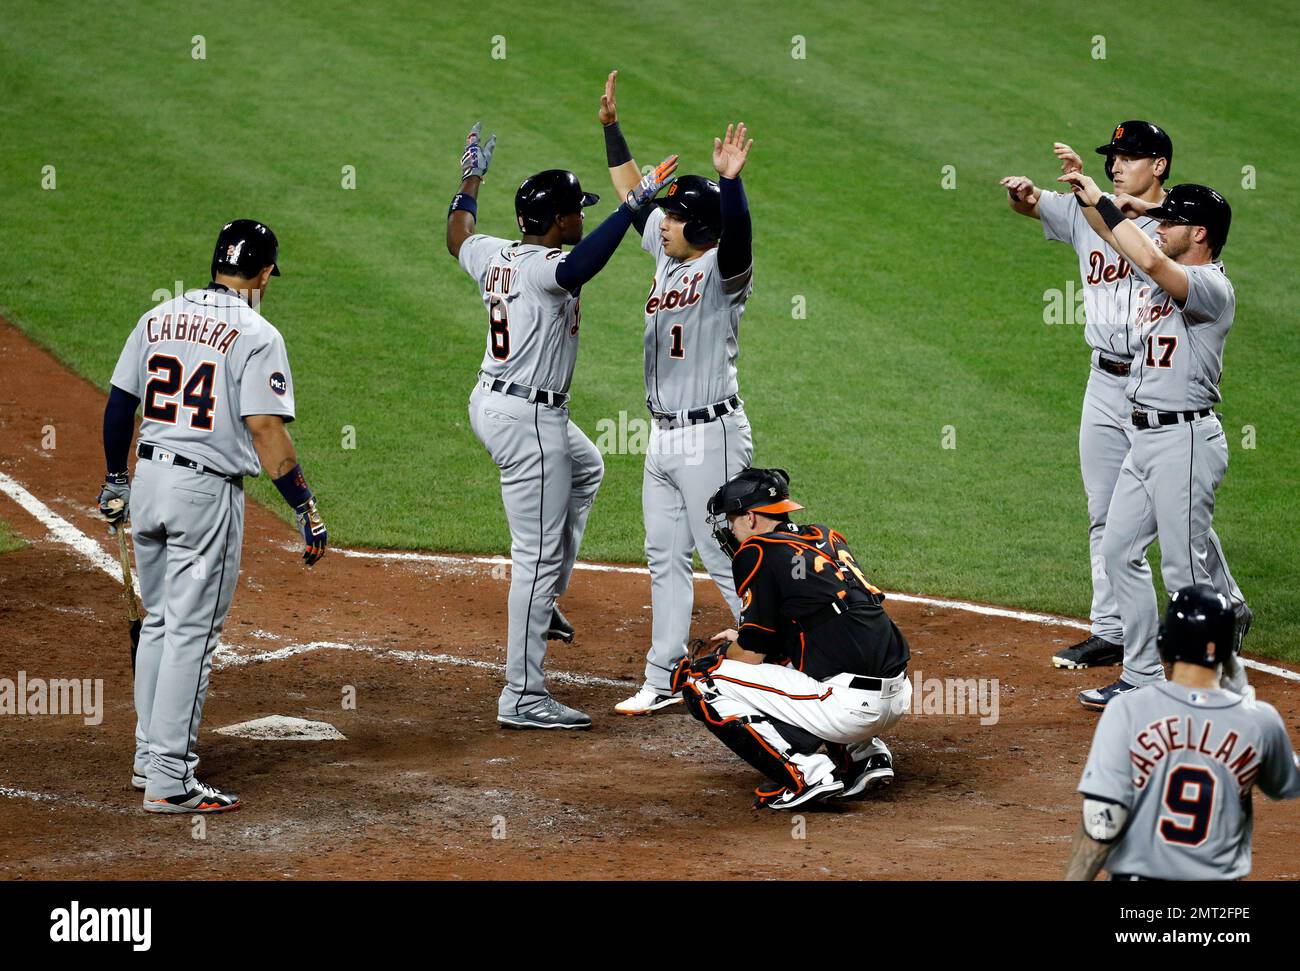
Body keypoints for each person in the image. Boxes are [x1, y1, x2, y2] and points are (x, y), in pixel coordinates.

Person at [446, 121, 677, 729]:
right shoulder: (549, 267)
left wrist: (471, 176)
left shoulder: (495, 252)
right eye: (576, 210)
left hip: (492, 402)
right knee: (535, 556)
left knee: (588, 467)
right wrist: (631, 210)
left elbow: (457, 235)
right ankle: (522, 693)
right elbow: (579, 267)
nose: (580, 216)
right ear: (558, 222)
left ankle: (543, 603)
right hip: (528, 419)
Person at [1000, 122, 1249, 673]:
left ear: (1159, 164)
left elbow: (1150, 257)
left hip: (1176, 411)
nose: (1117, 164)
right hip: (1121, 390)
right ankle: (1121, 644)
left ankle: (1219, 633)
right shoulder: (1145, 224)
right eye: (1112, 157)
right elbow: (1121, 231)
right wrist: (1080, 200)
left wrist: (1110, 208)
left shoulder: (1188, 262)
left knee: (1183, 534)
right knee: (1112, 525)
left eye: (1129, 156)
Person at [96, 219, 327, 813]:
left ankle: (150, 756)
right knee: (192, 635)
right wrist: (304, 506)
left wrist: (115, 477)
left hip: (148, 481)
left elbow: (122, 401)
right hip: (203, 495)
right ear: (265, 272)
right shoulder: (256, 332)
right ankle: (171, 779)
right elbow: (265, 429)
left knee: (160, 622)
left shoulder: (159, 316)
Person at [596, 71, 758, 716]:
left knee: (728, 558)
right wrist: (612, 130)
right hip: (663, 436)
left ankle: (775, 661)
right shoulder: (667, 255)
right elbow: (631, 192)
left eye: (678, 216)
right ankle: (661, 677)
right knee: (663, 558)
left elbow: (740, 236)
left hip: (711, 436)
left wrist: (735, 183)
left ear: (705, 227)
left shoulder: (724, 271)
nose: (664, 222)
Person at [1057, 172, 1248, 709]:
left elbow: (1152, 259)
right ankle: (1141, 676)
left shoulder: (1210, 287)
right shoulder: (1163, 272)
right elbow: (1129, 242)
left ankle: (1222, 693)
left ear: (1202, 235)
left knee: (1185, 572)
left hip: (1185, 440)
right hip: (1144, 440)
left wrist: (1107, 203)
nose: (1160, 228)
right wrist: (1107, 205)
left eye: (1171, 222)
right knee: (1120, 553)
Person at [671, 468, 911, 810]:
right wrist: (747, 639)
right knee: (804, 644)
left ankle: (807, 774)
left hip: (848, 710)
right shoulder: (824, 536)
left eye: (732, 520)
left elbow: (752, 655)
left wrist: (726, 651)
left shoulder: (757, 551)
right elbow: (810, 623)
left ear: (751, 518)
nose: (730, 530)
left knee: (701, 680)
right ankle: (865, 755)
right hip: (897, 696)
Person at [1066, 586, 1300, 880]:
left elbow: (1102, 825)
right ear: (1227, 650)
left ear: (1165, 642)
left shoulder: (1126, 711)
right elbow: (1284, 782)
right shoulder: (1261, 722)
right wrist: (1246, 704)